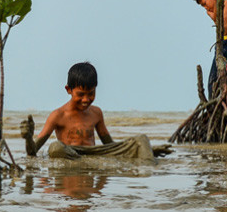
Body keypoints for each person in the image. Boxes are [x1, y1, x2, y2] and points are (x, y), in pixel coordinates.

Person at [20, 61, 172, 161]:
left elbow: (110, 146)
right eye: (81, 94)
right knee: (55, 148)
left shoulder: (96, 113)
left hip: (96, 154)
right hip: (72, 154)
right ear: (69, 90)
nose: (86, 99)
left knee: (141, 140)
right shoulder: (58, 115)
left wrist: (143, 149)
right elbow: (32, 152)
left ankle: (149, 164)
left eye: (91, 93)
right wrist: (28, 138)